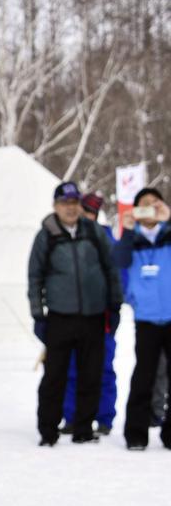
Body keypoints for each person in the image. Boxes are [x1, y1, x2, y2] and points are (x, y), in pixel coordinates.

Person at [28, 182, 123, 446]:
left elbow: (110, 269)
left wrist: (114, 305)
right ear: (55, 206)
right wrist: (38, 314)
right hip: (60, 315)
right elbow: (35, 277)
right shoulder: (46, 235)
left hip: (93, 314)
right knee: (55, 376)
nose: (70, 208)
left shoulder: (93, 232)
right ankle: (48, 429)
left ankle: (83, 427)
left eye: (74, 203)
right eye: (65, 203)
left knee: (91, 373)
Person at [111, 187, 171, 450]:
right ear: (135, 210)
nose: (150, 209)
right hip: (146, 318)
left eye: (154, 203)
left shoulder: (168, 234)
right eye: (144, 204)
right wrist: (127, 229)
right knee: (143, 376)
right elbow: (118, 260)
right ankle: (136, 433)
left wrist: (168, 220)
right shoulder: (132, 239)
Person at [57, 192, 121, 435]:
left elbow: (118, 278)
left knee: (103, 368)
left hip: (101, 317)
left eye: (88, 212)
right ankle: (72, 416)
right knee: (71, 367)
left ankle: (104, 417)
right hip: (70, 316)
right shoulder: (63, 238)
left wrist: (112, 307)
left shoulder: (106, 240)